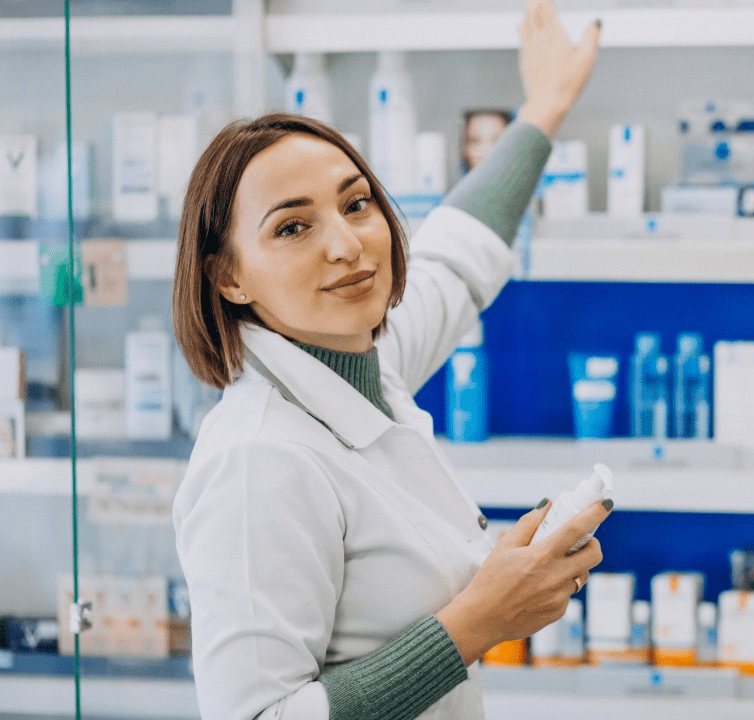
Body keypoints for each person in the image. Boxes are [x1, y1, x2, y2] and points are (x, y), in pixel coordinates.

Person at [170, 2, 607, 719]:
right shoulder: (257, 459)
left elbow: (458, 256)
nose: (346, 246)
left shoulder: (366, 359)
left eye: (357, 204)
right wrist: (478, 621)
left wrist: (545, 105)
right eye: (292, 226)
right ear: (228, 277)